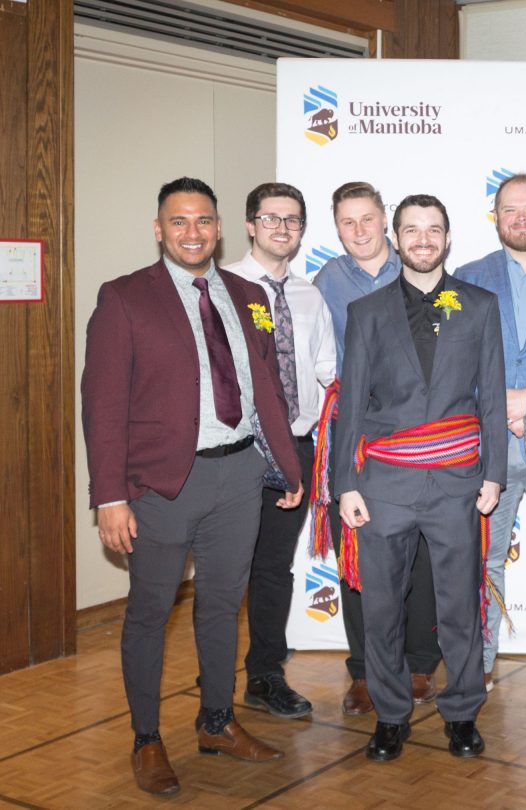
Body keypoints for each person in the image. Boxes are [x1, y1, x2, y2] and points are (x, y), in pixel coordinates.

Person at [81, 177, 303, 796]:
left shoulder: (245, 294)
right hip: (162, 486)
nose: (192, 232)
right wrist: (110, 497)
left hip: (239, 475)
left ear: (219, 228)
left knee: (222, 607)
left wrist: (289, 466)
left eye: (203, 220)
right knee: (150, 613)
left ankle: (217, 721)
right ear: (159, 229)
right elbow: (102, 405)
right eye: (178, 221)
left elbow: (266, 387)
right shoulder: (125, 297)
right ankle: (147, 738)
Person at [334, 194, 506, 760]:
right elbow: (351, 404)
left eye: (434, 229)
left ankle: (462, 712)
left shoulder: (479, 306)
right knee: (383, 608)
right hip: (385, 483)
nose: (423, 239)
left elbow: (491, 398)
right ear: (396, 238)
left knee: (459, 607)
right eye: (412, 230)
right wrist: (345, 483)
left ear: (448, 238)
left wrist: (494, 474)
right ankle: (390, 716)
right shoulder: (367, 312)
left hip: (457, 482)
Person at [312, 181, 443, 714]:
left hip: (416, 433)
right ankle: (366, 669)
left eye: (367, 219)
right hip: (356, 433)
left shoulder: (416, 268)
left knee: (422, 554)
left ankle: (418, 662)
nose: (359, 230)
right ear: (336, 227)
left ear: (385, 220)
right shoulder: (326, 281)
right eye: (347, 222)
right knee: (358, 552)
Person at [455, 173, 526, 709]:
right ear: (495, 217)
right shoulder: (467, 276)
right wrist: (500, 402)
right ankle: (477, 663)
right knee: (482, 563)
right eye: (510, 209)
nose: (521, 218)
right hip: (488, 448)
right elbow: (452, 361)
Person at [226, 182, 336, 719]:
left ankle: (265, 675)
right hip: (237, 448)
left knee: (273, 567)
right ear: (250, 225)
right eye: (270, 218)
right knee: (226, 567)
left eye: (292, 220)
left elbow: (328, 370)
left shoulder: (310, 296)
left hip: (294, 445)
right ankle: (215, 673)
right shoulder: (222, 289)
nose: (282, 228)